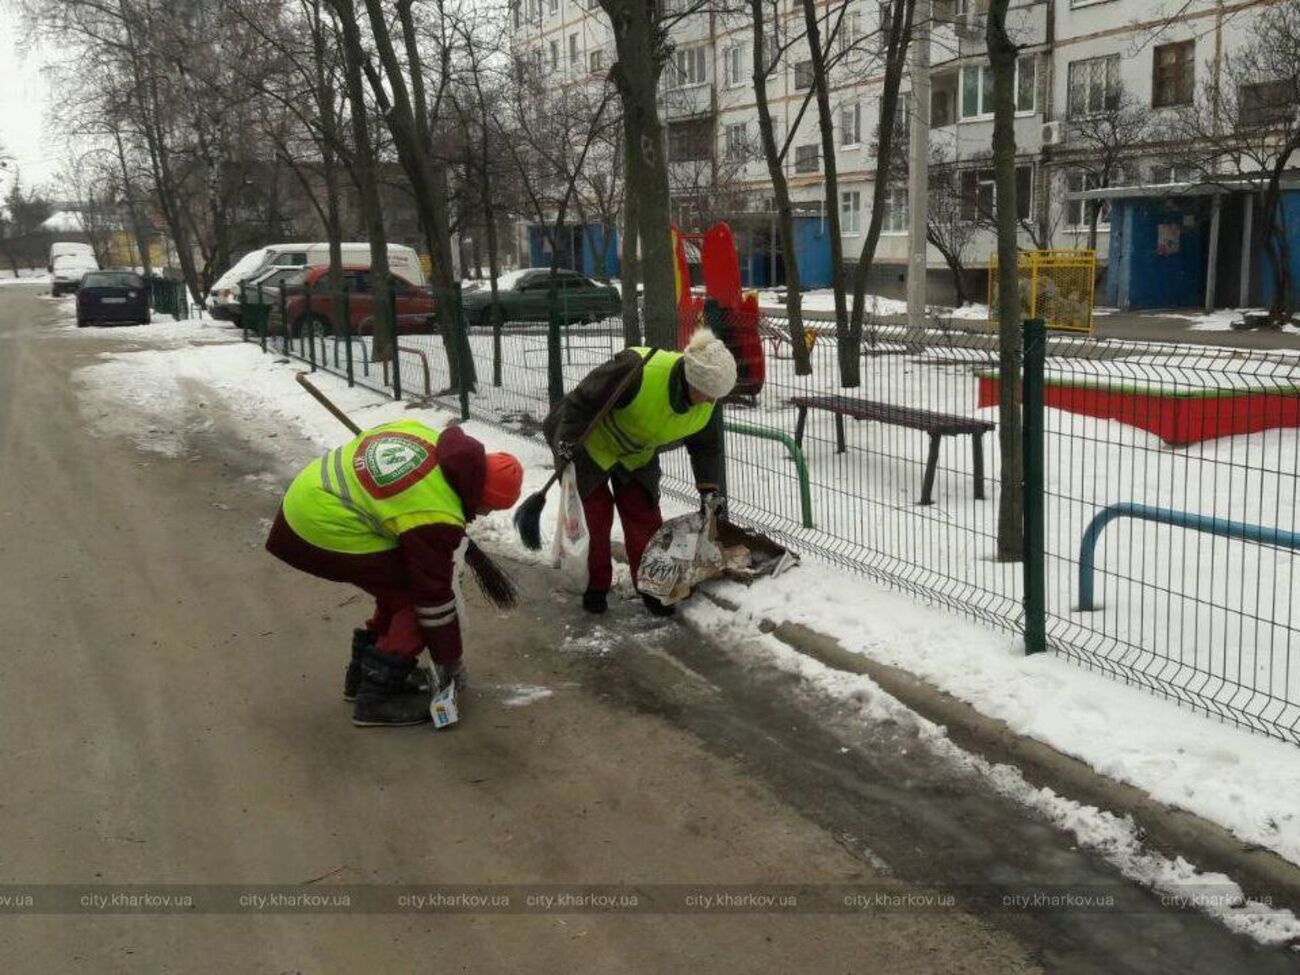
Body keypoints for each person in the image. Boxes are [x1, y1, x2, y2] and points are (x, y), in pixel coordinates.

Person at [266, 420, 523, 727]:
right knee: (415, 600)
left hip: (306, 497)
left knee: (397, 585)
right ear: (481, 496)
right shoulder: (435, 512)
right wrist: (449, 660)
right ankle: (377, 697)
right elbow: (434, 599)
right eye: (487, 510)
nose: (482, 516)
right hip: (318, 527)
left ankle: (364, 674)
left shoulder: (426, 435)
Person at [542, 327, 737, 617]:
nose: (712, 402)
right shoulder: (635, 370)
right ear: (691, 380)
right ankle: (595, 587)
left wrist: (709, 491)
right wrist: (566, 445)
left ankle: (652, 588)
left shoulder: (708, 402)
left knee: (644, 517)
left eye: (717, 397)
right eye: (708, 395)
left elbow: (706, 447)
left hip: (637, 452)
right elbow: (580, 403)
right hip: (590, 445)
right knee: (594, 517)